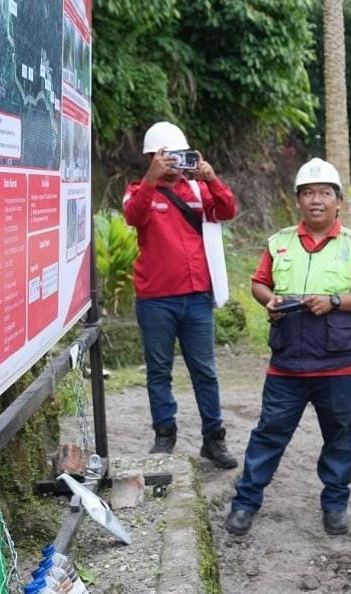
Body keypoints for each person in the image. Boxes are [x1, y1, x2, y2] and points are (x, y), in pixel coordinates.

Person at [225, 158, 351, 537]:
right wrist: (269, 300)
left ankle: (334, 505)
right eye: (308, 193)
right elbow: (259, 283)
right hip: (287, 364)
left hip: (338, 365)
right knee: (268, 433)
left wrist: (335, 302)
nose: (316, 201)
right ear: (298, 200)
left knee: (339, 436)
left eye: (324, 193)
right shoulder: (278, 242)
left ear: (338, 201)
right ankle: (245, 503)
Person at [123, 121, 239, 467]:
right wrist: (150, 178)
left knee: (205, 370)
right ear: (151, 157)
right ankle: (164, 434)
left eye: (179, 156)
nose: (173, 162)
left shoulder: (200, 192)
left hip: (197, 296)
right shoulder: (137, 190)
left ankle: (214, 440)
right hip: (156, 298)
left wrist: (211, 177)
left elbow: (228, 210)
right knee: (159, 371)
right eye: (165, 156)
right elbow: (133, 215)